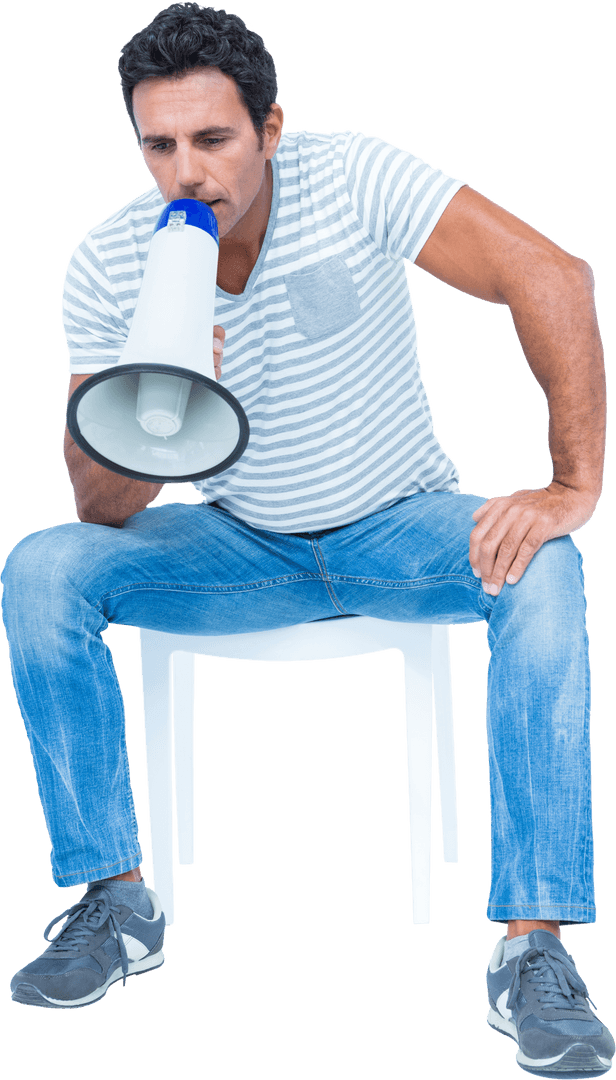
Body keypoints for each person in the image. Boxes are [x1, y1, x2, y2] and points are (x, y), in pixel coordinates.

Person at [1, 2, 613, 1073]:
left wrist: (571, 484)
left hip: (403, 524)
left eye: (213, 138)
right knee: (42, 568)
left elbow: (551, 274)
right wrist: (165, 395)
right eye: (159, 144)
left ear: (269, 129)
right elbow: (104, 509)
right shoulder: (107, 263)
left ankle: (530, 948)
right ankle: (116, 899)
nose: (186, 171)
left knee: (546, 570)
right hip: (241, 548)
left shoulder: (352, 177)